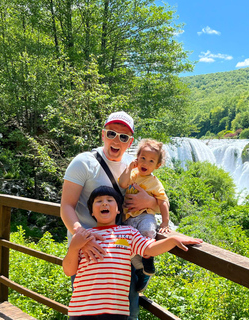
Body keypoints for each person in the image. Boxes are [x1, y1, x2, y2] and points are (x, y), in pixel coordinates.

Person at [60, 111, 158, 320]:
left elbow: (157, 197)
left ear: (129, 141)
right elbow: (66, 206)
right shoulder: (84, 163)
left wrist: (151, 203)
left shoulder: (135, 166)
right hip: (88, 254)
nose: (116, 140)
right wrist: (81, 238)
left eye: (123, 137)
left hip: (122, 253)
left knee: (127, 312)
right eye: (112, 133)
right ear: (103, 135)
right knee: (88, 311)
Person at [63, 186, 202, 319]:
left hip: (115, 310)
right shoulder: (83, 237)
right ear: (92, 212)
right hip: (81, 309)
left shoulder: (128, 233)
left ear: (118, 210)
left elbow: (149, 249)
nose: (104, 203)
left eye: (110, 200)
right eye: (98, 201)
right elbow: (69, 271)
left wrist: (173, 240)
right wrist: (74, 247)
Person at [118, 138, 169, 292]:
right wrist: (129, 168)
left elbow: (163, 201)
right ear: (137, 158)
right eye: (143, 158)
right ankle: (143, 270)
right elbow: (122, 184)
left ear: (157, 165)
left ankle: (148, 258)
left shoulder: (155, 182)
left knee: (148, 231)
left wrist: (165, 222)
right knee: (127, 246)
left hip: (145, 215)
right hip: (128, 218)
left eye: (151, 161)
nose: (145, 163)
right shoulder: (132, 174)